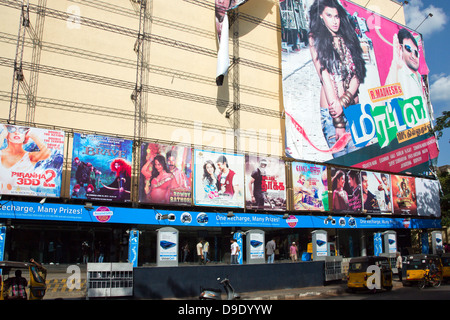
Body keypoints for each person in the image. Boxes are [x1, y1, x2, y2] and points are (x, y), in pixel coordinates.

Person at [308, 0, 366, 157]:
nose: (334, 21)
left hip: (354, 110)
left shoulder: (349, 40)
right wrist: (338, 121)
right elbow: (325, 77)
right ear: (321, 16)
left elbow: (358, 74)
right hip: (332, 113)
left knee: (361, 165)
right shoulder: (315, 39)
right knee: (343, 166)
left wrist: (343, 102)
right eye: (329, 16)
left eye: (337, 16)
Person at [385, 28, 429, 112]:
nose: (413, 56)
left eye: (415, 52)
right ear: (401, 49)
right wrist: (395, 65)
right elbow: (388, 102)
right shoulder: (399, 74)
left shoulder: (420, 78)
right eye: (408, 49)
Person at [0, 124, 51, 193]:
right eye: (11, 129)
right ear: (7, 134)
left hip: (24, 196)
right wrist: (2, 135)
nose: (17, 133)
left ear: (25, 136)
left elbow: (47, 153)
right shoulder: (1, 154)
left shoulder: (29, 156)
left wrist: (31, 134)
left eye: (22, 130)